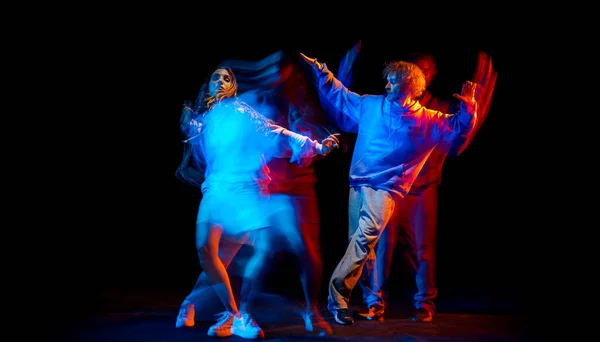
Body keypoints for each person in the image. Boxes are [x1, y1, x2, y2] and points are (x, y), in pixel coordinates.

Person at [299, 52, 479, 326]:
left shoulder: (425, 119)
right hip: (358, 183)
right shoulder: (371, 105)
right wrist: (323, 73)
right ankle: (372, 304)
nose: (386, 86)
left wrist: (468, 110)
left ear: (408, 85)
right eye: (387, 81)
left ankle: (337, 297)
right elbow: (341, 95)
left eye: (392, 82)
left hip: (386, 189)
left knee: (364, 238)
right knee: (361, 246)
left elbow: (456, 128)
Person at [175, 64, 340, 338]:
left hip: (245, 190)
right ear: (209, 84)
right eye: (216, 76)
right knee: (207, 250)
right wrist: (187, 123)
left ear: (232, 86)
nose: (221, 80)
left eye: (227, 77)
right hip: (216, 189)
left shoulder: (242, 111)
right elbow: (199, 149)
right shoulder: (202, 118)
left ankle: (229, 314)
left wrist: (315, 145)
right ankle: (230, 313)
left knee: (231, 255)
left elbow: (275, 131)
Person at [352, 50, 497, 323]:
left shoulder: (437, 108)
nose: (426, 74)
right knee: (382, 245)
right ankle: (374, 301)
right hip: (390, 188)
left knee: (423, 248)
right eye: (420, 69)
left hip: (421, 190)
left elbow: (459, 138)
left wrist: (475, 104)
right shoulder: (386, 105)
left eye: (430, 70)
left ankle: (423, 303)